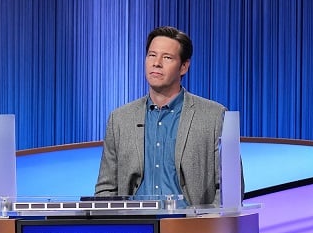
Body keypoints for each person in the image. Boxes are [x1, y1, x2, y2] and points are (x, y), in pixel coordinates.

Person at [94, 26, 228, 207]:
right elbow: (106, 189)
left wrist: (203, 221)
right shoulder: (119, 119)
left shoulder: (213, 116)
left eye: (167, 57)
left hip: (191, 222)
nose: (156, 63)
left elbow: (228, 190)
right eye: (152, 55)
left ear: (184, 67)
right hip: (136, 224)